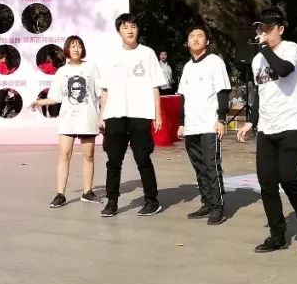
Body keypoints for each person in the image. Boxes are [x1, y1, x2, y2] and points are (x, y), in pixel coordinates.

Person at [237, 7, 297, 255]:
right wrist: (252, 121)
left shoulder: (291, 49)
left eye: (269, 29)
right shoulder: (257, 61)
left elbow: (283, 70)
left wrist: (264, 48)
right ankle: (277, 235)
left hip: (292, 125)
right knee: (267, 183)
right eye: (261, 29)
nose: (264, 33)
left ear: (280, 29)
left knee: (289, 178)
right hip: (267, 128)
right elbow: (260, 94)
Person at [98, 13, 166, 217]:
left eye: (133, 26)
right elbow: (105, 89)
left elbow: (155, 87)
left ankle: (152, 201)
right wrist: (102, 115)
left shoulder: (147, 53)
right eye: (125, 27)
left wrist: (158, 114)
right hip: (115, 114)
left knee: (143, 158)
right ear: (119, 30)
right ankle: (112, 202)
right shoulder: (111, 55)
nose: (130, 30)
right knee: (113, 161)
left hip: (140, 113)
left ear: (138, 30)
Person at [31, 36, 103, 208]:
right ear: (67, 50)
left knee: (89, 155)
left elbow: (100, 93)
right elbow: (56, 97)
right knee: (64, 155)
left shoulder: (91, 67)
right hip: (68, 119)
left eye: (79, 46)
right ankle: (60, 194)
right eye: (72, 46)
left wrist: (103, 116)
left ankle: (88, 192)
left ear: (83, 49)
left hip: (88, 117)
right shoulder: (62, 72)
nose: (76, 49)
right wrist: (39, 102)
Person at [176, 24, 232, 225]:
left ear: (207, 41)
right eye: (192, 36)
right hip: (192, 126)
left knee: (211, 166)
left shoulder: (215, 62)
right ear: (187, 42)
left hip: (209, 124)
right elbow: (183, 97)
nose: (195, 39)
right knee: (199, 167)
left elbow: (222, 91)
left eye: (200, 35)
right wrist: (181, 123)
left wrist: (221, 119)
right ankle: (207, 203)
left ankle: (218, 208)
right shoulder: (187, 67)